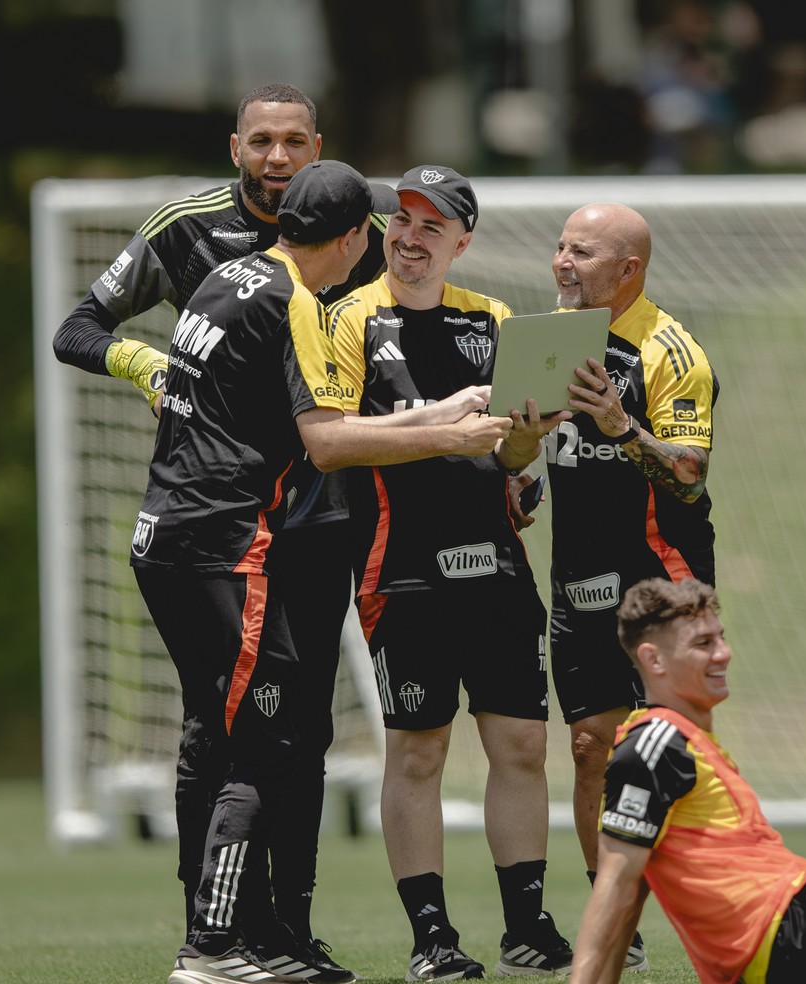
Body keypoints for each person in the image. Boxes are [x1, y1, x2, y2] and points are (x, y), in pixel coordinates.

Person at [130, 159, 517, 984]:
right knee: (260, 744)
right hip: (225, 548)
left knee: (238, 734)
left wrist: (444, 412)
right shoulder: (300, 304)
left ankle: (264, 942)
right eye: (373, 236)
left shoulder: (230, 276)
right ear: (349, 240)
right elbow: (330, 441)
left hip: (165, 540)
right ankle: (212, 947)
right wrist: (449, 438)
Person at [52, 82, 385, 981]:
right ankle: (211, 932)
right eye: (262, 142)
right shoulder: (183, 231)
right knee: (226, 728)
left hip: (315, 526)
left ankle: (283, 930)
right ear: (234, 145)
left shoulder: (359, 237)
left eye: (294, 143)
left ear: (318, 147)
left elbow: (377, 364)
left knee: (299, 727)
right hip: (228, 526)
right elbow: (76, 328)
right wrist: (148, 363)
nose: (278, 158)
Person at [327, 165, 574, 981]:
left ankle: (527, 924)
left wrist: (530, 440)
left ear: (461, 243)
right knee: (420, 751)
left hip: (498, 567)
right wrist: (442, 435)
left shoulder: (495, 319)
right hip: (398, 569)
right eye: (401, 220)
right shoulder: (347, 320)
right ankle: (432, 936)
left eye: (432, 226)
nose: (410, 237)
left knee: (523, 744)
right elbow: (334, 439)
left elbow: (512, 451)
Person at [569, 577, 806, 983]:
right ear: (654, 659)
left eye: (721, 638)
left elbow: (632, 892)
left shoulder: (682, 744)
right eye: (703, 644)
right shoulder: (657, 741)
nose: (723, 653)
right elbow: (615, 888)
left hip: (800, 959)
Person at [525, 201, 719, 972]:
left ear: (628, 270)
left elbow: (689, 476)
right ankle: (617, 924)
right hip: (577, 577)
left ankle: (714, 907)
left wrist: (621, 426)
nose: (562, 263)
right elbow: (521, 447)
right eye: (561, 247)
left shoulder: (673, 351)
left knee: (683, 752)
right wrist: (517, 471)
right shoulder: (546, 339)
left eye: (583, 252)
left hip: (661, 582)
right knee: (588, 748)